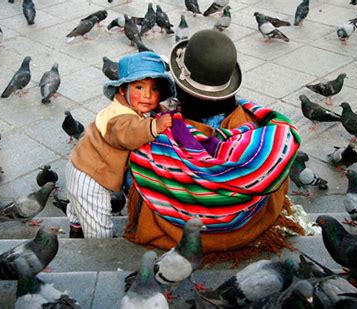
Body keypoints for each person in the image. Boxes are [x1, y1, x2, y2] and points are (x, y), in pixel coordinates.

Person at [124, 30, 304, 264]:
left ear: (180, 86)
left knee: (141, 166)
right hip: (247, 225)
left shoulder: (158, 134)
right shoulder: (256, 130)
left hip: (177, 230)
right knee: (274, 163)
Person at [65, 51, 176, 238]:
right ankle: (100, 251)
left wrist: (164, 113)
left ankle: (76, 227)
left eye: (155, 89)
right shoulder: (118, 117)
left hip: (81, 165)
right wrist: (156, 125)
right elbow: (129, 133)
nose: (147, 95)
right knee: (98, 225)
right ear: (123, 90)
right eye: (139, 87)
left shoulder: (131, 106)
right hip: (91, 179)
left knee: (78, 207)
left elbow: (147, 113)